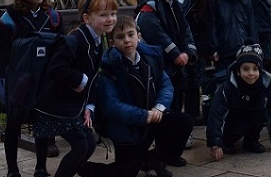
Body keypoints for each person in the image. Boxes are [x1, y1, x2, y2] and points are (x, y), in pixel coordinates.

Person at [79, 15, 193, 177]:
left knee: (184, 122)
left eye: (130, 35)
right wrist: (143, 116)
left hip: (153, 117)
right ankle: (84, 168)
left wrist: (159, 107)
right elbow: (112, 106)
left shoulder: (150, 58)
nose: (127, 40)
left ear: (138, 36)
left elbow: (166, 85)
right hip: (127, 128)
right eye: (120, 37)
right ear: (112, 42)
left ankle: (155, 158)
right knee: (125, 172)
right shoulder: (108, 68)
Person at [33, 0, 118, 177]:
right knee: (81, 146)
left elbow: (95, 76)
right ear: (87, 18)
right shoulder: (75, 39)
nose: (110, 19)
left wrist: (90, 105)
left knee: (87, 146)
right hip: (55, 106)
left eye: (113, 13)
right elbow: (56, 69)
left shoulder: (97, 39)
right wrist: (81, 80)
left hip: (72, 105)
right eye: (103, 15)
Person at [0, 0, 63, 177]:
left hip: (44, 78)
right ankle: (12, 169)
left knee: (42, 124)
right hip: (18, 78)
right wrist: (0, 80)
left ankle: (40, 167)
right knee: (14, 123)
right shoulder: (10, 18)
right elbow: (1, 51)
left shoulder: (52, 16)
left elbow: (61, 46)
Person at [136, 0, 198, 116]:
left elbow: (184, 29)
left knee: (176, 97)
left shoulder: (174, 5)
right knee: (165, 100)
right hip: (160, 65)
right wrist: (176, 53)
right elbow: (154, 32)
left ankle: (173, 131)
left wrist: (188, 51)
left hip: (174, 67)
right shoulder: (150, 6)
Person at [206, 41, 271, 159]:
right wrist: (215, 144)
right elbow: (216, 115)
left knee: (260, 114)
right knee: (238, 124)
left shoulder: (264, 87)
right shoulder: (228, 88)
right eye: (246, 69)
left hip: (252, 117)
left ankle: (251, 141)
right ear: (238, 71)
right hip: (232, 123)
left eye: (255, 69)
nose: (251, 73)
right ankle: (226, 142)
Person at [178, 0, 213, 126]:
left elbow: (208, 27)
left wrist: (204, 49)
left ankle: (188, 127)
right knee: (174, 90)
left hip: (194, 52)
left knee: (192, 90)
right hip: (174, 50)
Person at [211, 0, 257, 72]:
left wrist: (254, 45)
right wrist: (214, 48)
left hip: (244, 49)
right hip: (224, 52)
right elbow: (213, 26)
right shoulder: (216, 0)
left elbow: (252, 24)